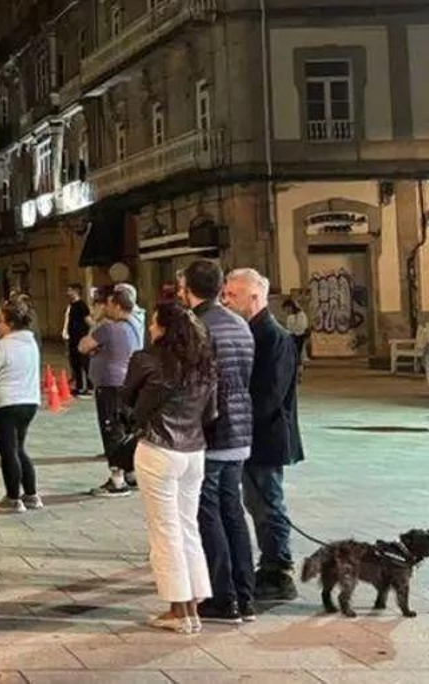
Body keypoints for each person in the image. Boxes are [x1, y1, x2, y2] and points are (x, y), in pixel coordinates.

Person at [123, 299, 219, 634]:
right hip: (194, 451)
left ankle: (178, 610)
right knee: (188, 527)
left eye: (154, 323)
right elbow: (211, 413)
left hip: (158, 448)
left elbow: (128, 401)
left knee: (164, 531)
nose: (150, 328)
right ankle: (193, 606)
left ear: (164, 328)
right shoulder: (204, 362)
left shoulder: (147, 360)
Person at [178, 259, 257, 624]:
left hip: (211, 431)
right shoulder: (239, 323)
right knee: (232, 512)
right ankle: (245, 595)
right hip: (240, 428)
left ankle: (223, 598)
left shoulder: (196, 326)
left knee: (207, 513)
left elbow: (194, 384)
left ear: (187, 290)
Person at [223, 269, 304, 603]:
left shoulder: (274, 337)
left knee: (268, 503)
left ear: (254, 297)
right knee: (256, 502)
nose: (226, 300)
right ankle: (268, 564)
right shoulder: (249, 331)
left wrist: (236, 418)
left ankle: (278, 570)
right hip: (249, 435)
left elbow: (269, 395)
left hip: (266, 437)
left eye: (232, 295)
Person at [0, 297, 43, 512]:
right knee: (18, 448)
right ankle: (31, 494)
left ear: (10, 324)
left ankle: (13, 498)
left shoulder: (2, 347)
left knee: (8, 451)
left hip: (3, 403)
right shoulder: (30, 343)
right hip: (28, 401)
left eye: (0, 322)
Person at [82, 286, 143, 496]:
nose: (105, 308)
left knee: (111, 429)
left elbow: (83, 346)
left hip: (109, 385)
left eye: (108, 305)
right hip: (128, 383)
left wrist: (96, 323)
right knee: (125, 429)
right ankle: (131, 473)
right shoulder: (135, 324)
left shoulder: (108, 328)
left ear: (116, 306)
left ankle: (117, 480)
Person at [62, 284, 93, 396]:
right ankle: (79, 386)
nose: (67, 293)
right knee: (75, 363)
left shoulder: (82, 306)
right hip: (73, 339)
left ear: (76, 291)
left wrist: (90, 336)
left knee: (85, 363)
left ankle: (89, 387)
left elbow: (89, 322)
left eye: (70, 290)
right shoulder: (71, 306)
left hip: (81, 339)